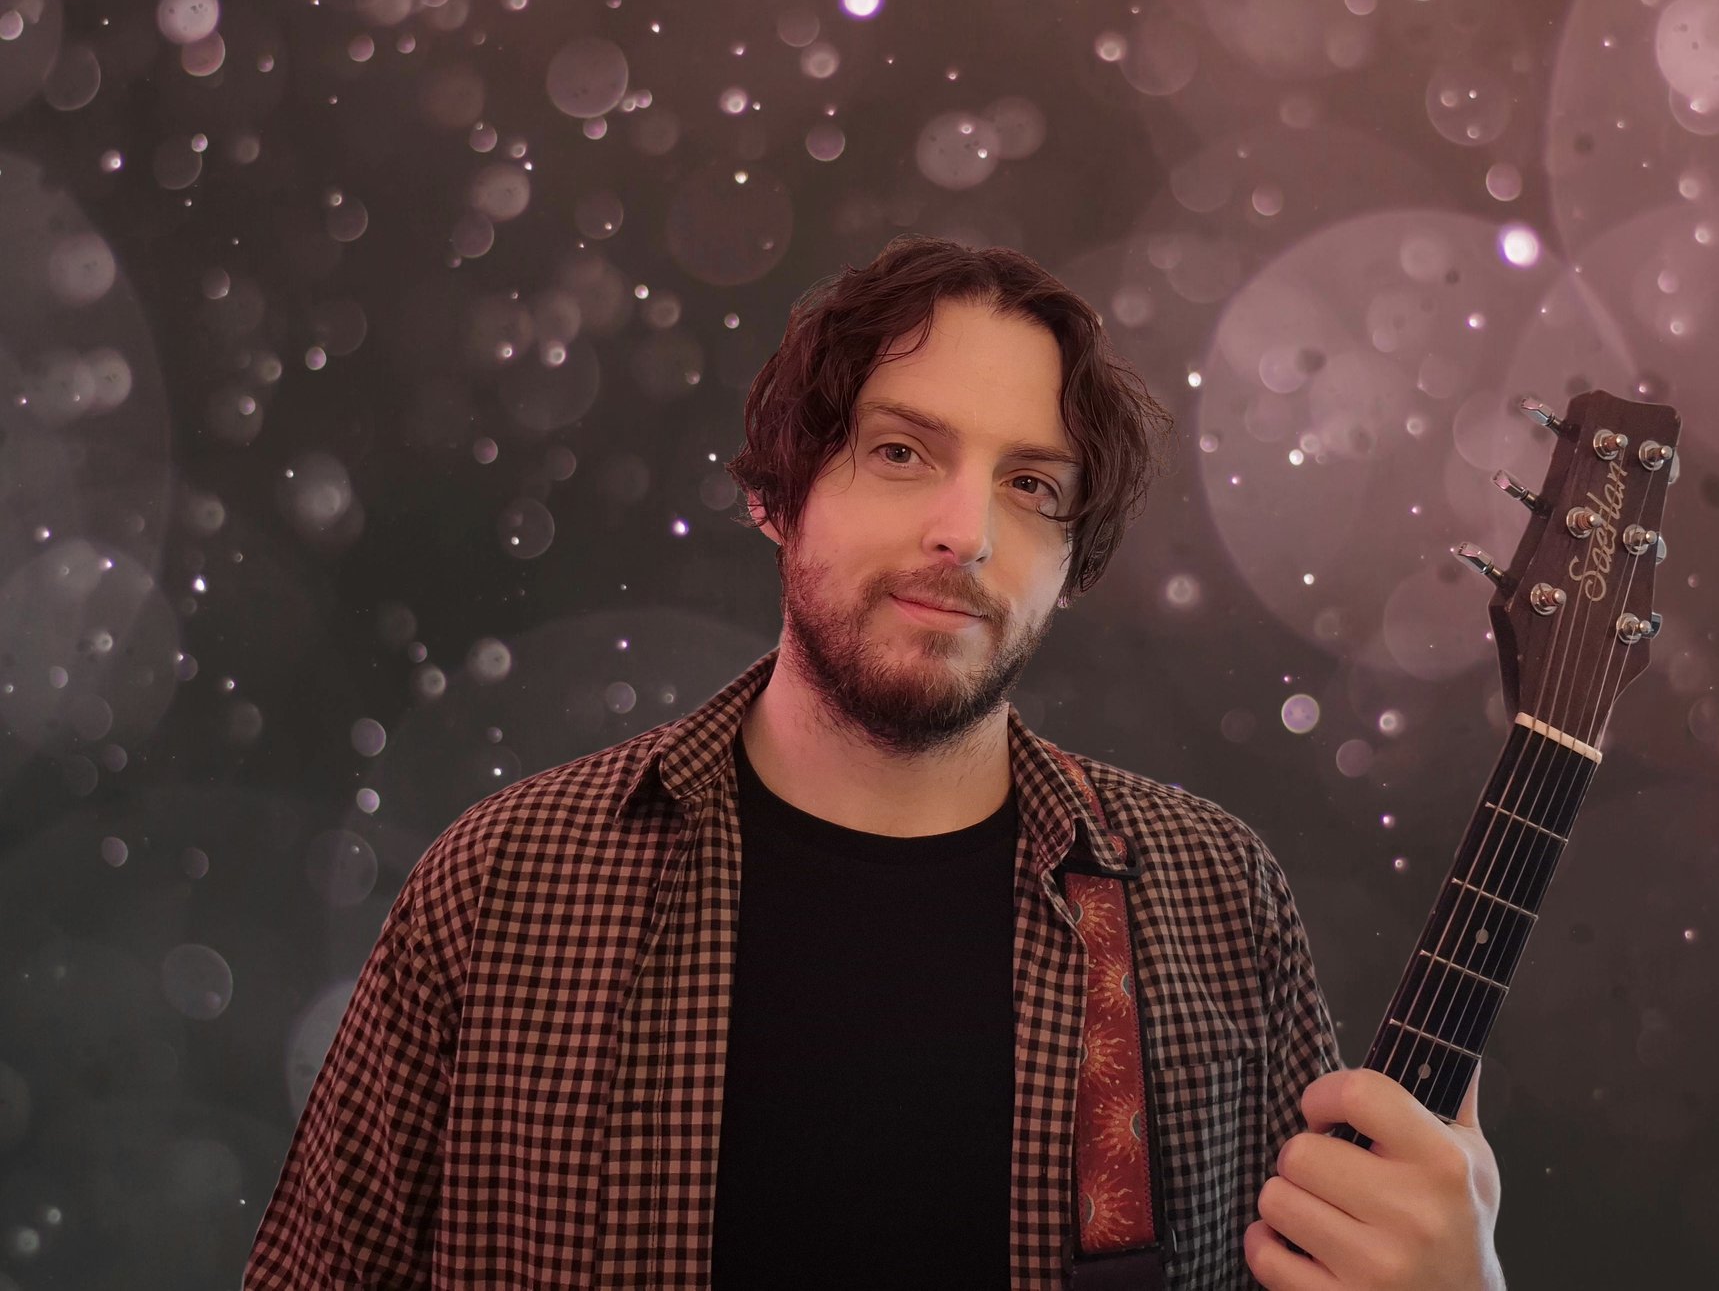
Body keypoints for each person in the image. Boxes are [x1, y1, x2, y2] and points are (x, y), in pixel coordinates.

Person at [243, 234, 1501, 1290]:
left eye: (1031, 486)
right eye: (901, 452)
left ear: (1073, 562)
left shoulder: (1213, 899)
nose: (965, 531)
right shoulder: (505, 885)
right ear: (778, 492)